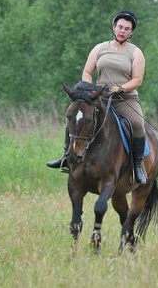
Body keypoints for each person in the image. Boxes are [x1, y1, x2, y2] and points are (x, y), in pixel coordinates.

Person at [46, 10, 148, 184]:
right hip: (99, 97)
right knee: (75, 117)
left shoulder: (135, 52)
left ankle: (138, 165)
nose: (122, 31)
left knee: (138, 124)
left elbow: (138, 80)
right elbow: (87, 71)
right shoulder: (100, 48)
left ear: (131, 32)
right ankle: (65, 154)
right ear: (114, 27)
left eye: (127, 29)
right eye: (120, 27)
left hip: (125, 99)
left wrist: (121, 88)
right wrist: (89, 90)